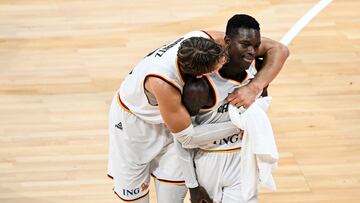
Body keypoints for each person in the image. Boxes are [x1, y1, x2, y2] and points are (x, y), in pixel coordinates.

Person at [107, 15, 289, 203]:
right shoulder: (164, 82)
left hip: (173, 122)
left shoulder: (204, 40)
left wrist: (254, 87)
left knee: (171, 198)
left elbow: (279, 49)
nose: (225, 61)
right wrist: (242, 124)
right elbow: (187, 137)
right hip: (133, 125)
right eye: (220, 63)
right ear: (202, 75)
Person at [178, 14, 288, 203]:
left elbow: (280, 50)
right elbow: (182, 138)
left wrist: (256, 87)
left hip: (242, 159)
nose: (252, 51)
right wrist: (193, 185)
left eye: (256, 45)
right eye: (245, 44)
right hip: (208, 161)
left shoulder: (258, 73)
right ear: (227, 41)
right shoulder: (200, 86)